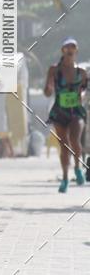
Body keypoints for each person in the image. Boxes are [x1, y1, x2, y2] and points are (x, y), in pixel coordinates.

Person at [44, 37, 87, 193]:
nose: (70, 50)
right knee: (64, 145)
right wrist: (48, 88)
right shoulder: (54, 70)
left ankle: (77, 167)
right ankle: (65, 179)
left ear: (76, 51)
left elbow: (84, 90)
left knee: (75, 140)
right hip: (60, 111)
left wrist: (81, 96)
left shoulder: (81, 72)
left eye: (73, 47)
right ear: (63, 50)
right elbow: (47, 90)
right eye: (67, 47)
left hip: (76, 110)